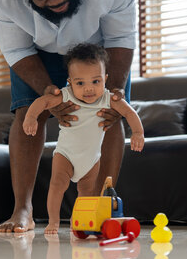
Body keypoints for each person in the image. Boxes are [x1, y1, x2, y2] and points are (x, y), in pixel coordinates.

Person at [0, 0, 137, 232]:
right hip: (37, 50)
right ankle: (23, 211)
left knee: (109, 114)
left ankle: (97, 207)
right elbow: (16, 48)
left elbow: (120, 36)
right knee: (28, 113)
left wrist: (114, 91)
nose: (55, 1)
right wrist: (48, 93)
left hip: (97, 48)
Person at [23, 43, 144, 234]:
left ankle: (77, 220)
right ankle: (53, 221)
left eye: (95, 81)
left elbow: (130, 113)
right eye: (80, 83)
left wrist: (138, 132)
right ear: (70, 82)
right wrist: (31, 117)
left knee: (87, 193)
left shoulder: (109, 98)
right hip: (66, 154)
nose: (89, 89)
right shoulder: (66, 96)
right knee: (57, 185)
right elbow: (43, 101)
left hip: (91, 159)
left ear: (105, 79)